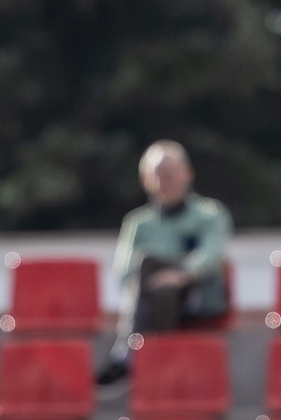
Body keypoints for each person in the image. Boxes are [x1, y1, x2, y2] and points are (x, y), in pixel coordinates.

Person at [96, 140, 232, 385]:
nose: (165, 180)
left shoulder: (210, 214)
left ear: (187, 174)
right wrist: (160, 281)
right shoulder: (137, 223)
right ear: (146, 179)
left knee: (152, 269)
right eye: (159, 174)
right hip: (153, 299)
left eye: (171, 173)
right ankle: (160, 365)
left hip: (196, 295)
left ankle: (128, 353)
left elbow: (211, 256)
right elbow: (125, 270)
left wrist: (180, 274)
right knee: (150, 272)